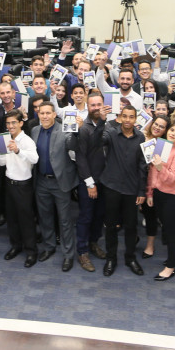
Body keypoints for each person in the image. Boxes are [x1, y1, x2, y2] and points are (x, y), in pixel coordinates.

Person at [31, 101, 79, 272]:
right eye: (41, 113)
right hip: (41, 181)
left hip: (60, 182)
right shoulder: (35, 130)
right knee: (45, 217)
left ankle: (68, 255)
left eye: (47, 113)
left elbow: (73, 146)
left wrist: (75, 132)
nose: (44, 116)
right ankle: (49, 247)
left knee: (65, 220)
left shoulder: (65, 129)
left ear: (54, 115)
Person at [100, 105, 148, 277]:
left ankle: (130, 257)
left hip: (131, 189)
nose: (128, 120)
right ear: (119, 117)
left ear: (135, 119)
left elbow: (143, 166)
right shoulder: (111, 133)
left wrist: (142, 191)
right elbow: (99, 139)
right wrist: (101, 121)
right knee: (111, 225)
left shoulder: (141, 137)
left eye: (131, 117)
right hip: (112, 186)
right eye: (125, 116)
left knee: (131, 226)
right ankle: (111, 258)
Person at [146, 121, 175, 281]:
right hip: (159, 194)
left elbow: (171, 178)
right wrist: (150, 193)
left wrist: (159, 166)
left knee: (171, 232)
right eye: (172, 130)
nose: (173, 133)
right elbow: (152, 173)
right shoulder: (160, 146)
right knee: (169, 228)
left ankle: (170, 267)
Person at [0, 110, 40, 267]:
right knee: (12, 218)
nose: (10, 126)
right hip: (9, 183)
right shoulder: (5, 138)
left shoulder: (27, 140)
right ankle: (16, 246)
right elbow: (1, 163)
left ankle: (31, 251)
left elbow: (35, 158)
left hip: (23, 186)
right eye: (8, 123)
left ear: (21, 123)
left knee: (26, 220)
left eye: (14, 122)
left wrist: (18, 150)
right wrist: (3, 152)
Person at [74, 91, 110, 272]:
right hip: (89, 181)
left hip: (106, 181)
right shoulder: (84, 128)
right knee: (86, 217)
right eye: (93, 105)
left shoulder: (109, 124)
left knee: (99, 216)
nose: (96, 108)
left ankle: (94, 243)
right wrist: (90, 183)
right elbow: (81, 157)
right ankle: (82, 251)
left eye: (99, 104)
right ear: (87, 107)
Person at [140, 114, 170, 259]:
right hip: (136, 180)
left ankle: (151, 245)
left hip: (153, 185)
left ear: (165, 130)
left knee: (153, 216)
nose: (157, 128)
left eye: (162, 126)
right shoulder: (141, 136)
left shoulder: (164, 145)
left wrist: (149, 191)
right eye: (156, 124)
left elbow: (159, 170)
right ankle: (141, 242)